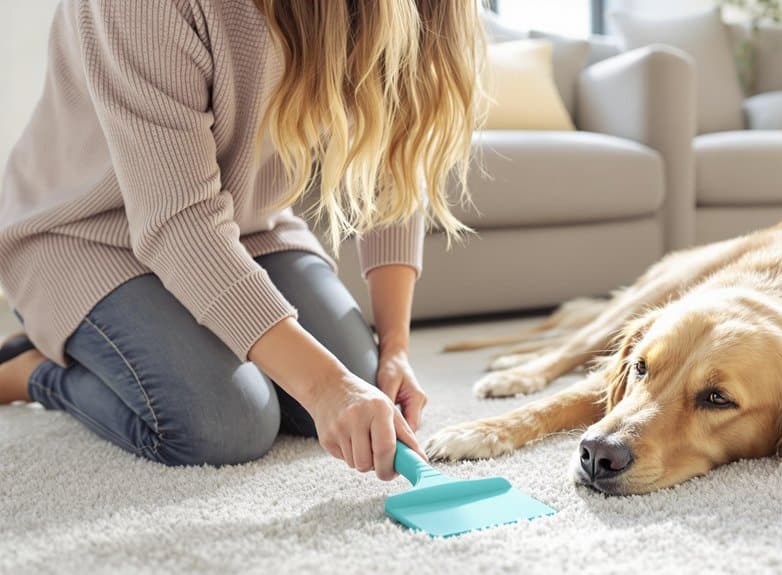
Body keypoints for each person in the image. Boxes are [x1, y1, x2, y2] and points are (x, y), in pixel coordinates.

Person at [0, 0, 483, 480]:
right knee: (227, 422)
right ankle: (35, 371)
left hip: (244, 227)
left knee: (360, 370)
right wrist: (325, 387)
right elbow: (179, 223)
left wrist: (395, 347)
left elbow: (391, 165)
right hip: (81, 235)